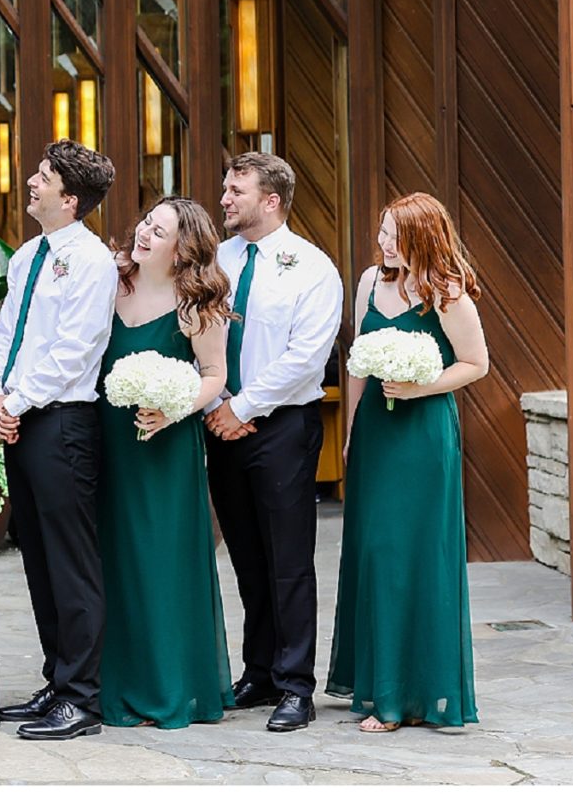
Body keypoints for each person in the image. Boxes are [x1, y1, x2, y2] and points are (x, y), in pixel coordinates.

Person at [328, 193, 487, 732]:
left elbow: (476, 364)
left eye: (394, 234)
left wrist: (423, 387)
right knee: (375, 553)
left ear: (422, 236)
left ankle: (404, 699)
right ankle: (379, 684)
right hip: (376, 431)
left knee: (414, 555)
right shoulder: (369, 282)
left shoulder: (448, 293)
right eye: (381, 231)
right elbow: (355, 363)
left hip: (423, 436)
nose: (383, 242)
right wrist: (351, 430)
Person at [0, 140, 118, 741]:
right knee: (34, 552)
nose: (29, 182)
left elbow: (76, 347)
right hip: (20, 415)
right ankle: (55, 679)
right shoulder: (27, 256)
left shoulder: (91, 261)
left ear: (70, 198)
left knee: (69, 559)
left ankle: (82, 697)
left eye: (42, 177)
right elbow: (7, 330)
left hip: (62, 420)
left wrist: (19, 398)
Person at [206, 153, 343, 732]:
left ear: (271, 200)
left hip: (283, 427)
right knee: (245, 556)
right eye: (225, 188)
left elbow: (306, 357)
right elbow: (195, 333)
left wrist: (243, 405)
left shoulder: (312, 268)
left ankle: (295, 685)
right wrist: (217, 404)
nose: (224, 199)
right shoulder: (216, 259)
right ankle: (259, 672)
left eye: (237, 190)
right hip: (219, 423)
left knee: (288, 560)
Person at [95, 199, 235, 728]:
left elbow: (214, 374)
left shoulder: (196, 303)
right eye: (147, 223)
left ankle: (171, 685)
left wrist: (172, 408)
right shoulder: (111, 284)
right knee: (115, 558)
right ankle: (119, 682)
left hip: (166, 446)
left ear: (184, 249)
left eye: (161, 230)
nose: (145, 233)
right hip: (110, 445)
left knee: (162, 561)